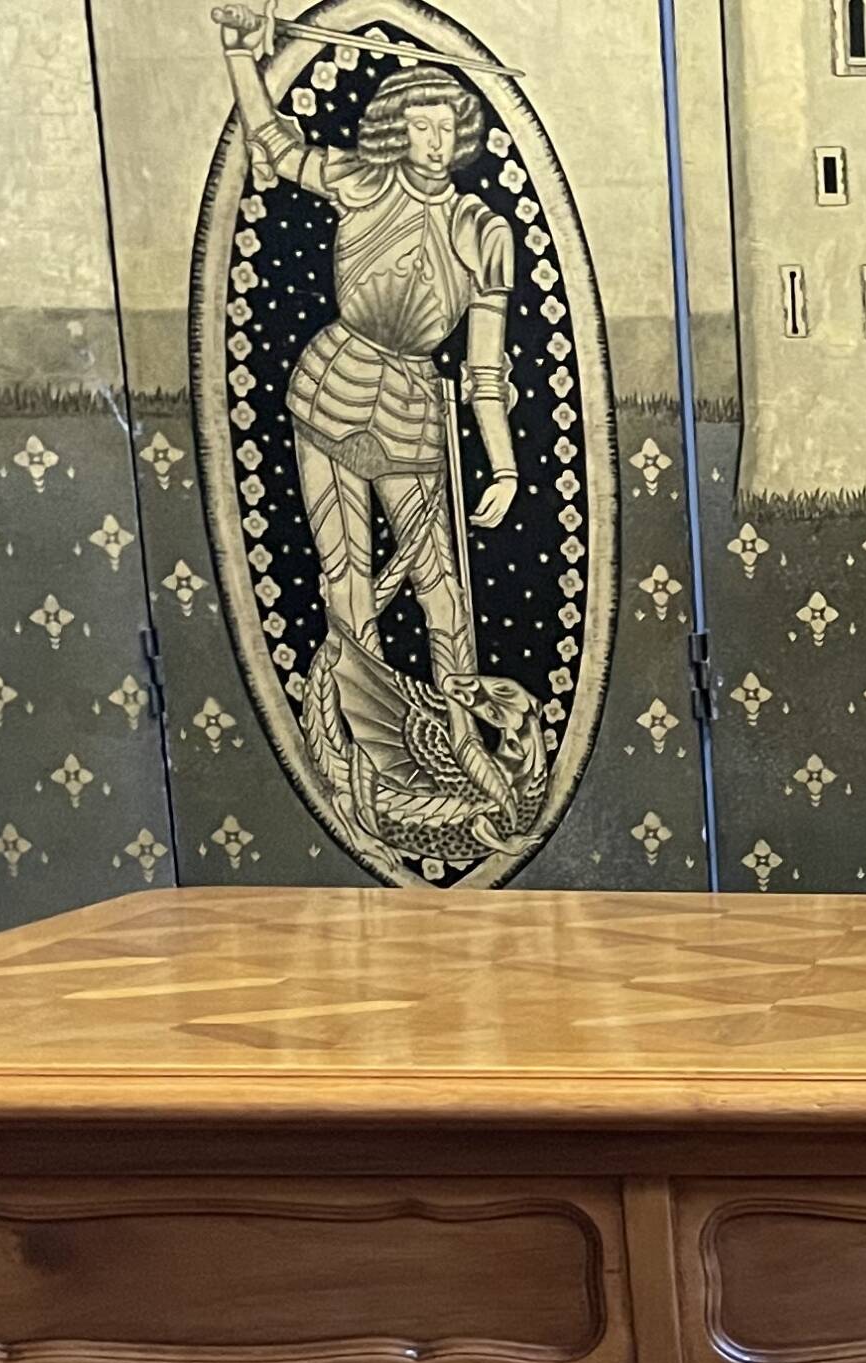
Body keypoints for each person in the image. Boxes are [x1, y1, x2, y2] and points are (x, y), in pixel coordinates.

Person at [214, 3, 533, 843]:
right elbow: (276, 149)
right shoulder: (363, 180)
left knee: (438, 583)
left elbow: (488, 369)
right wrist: (241, 57)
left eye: (446, 125)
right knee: (345, 581)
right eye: (418, 124)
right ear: (397, 130)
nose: (433, 140)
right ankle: (362, 770)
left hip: (415, 406)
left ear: (460, 133)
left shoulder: (483, 230)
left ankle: (467, 747)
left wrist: (503, 466)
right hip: (329, 384)